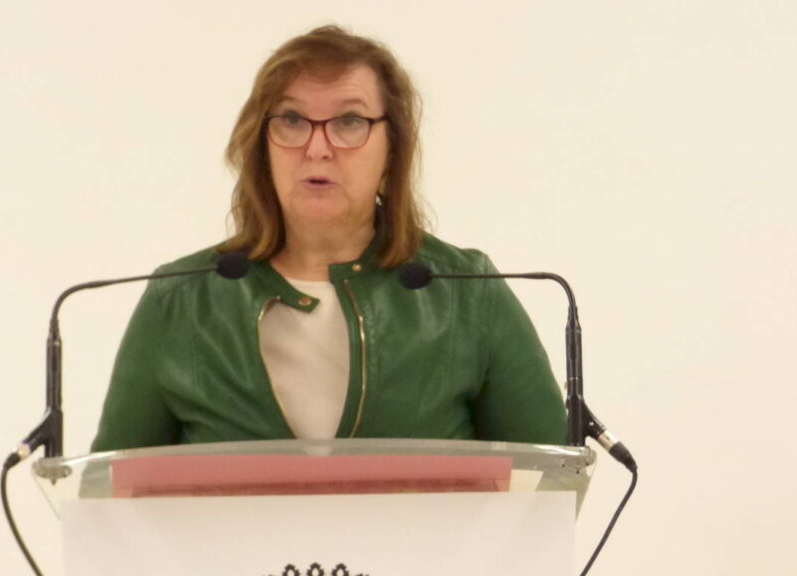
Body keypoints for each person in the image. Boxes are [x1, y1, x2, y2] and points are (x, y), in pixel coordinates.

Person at [90, 25, 567, 452]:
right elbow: (108, 497)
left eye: (349, 121)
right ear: (261, 144)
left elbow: (550, 485)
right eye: (292, 120)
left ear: (393, 147)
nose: (317, 148)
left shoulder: (467, 292)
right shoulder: (181, 299)